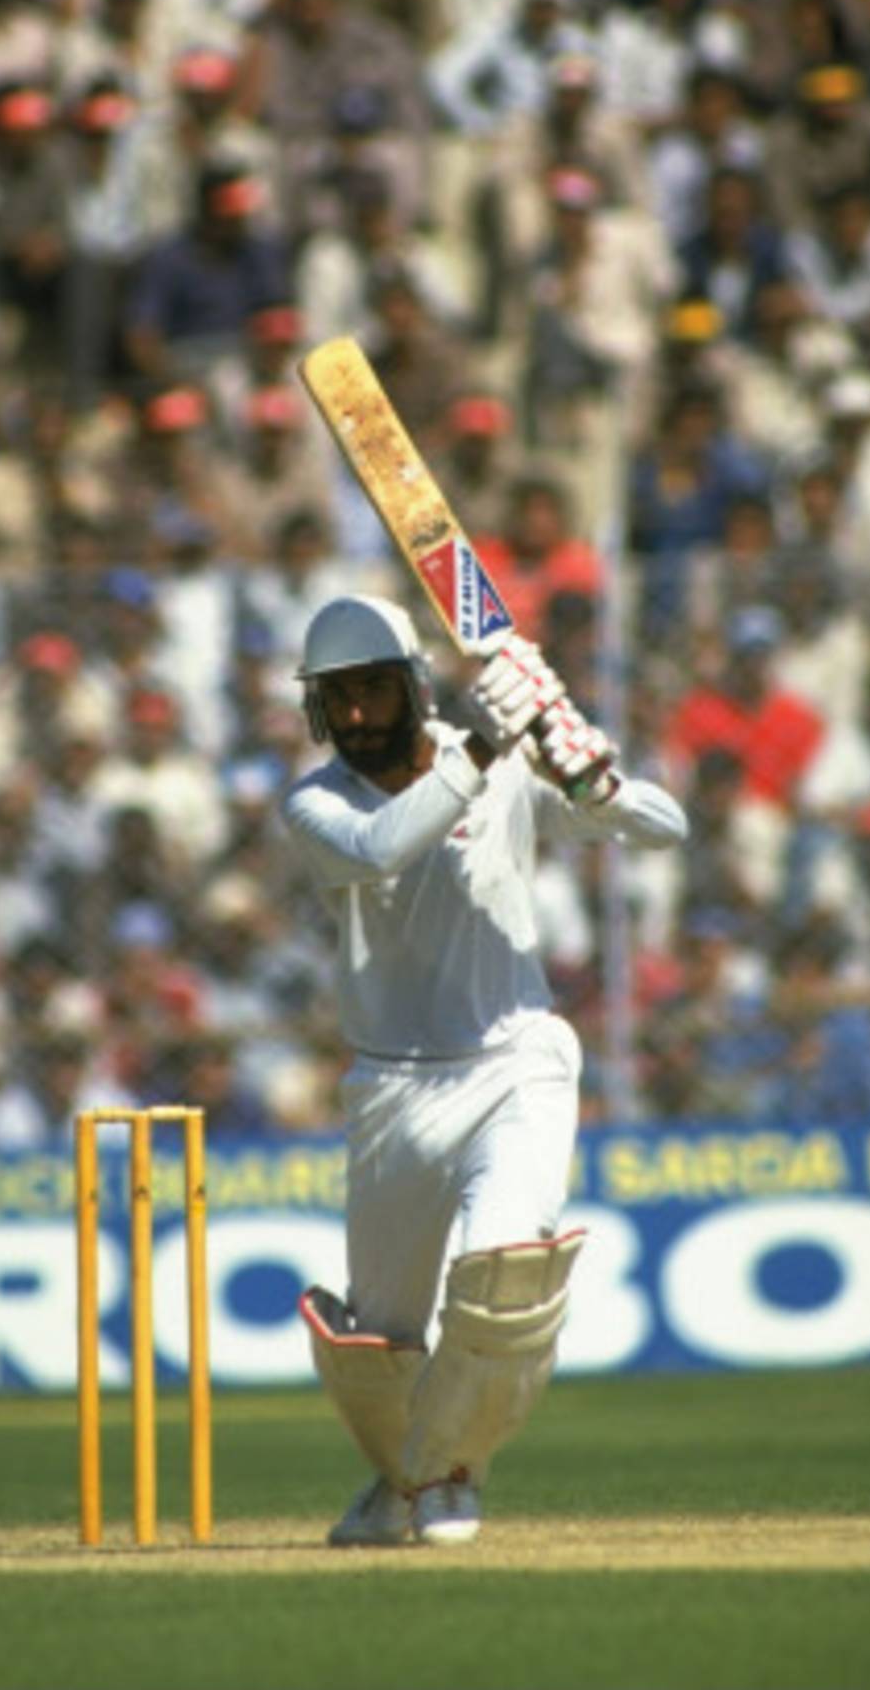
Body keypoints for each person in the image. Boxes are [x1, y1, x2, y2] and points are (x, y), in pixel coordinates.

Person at [280, 595, 686, 1547]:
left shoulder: (501, 763)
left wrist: (590, 775)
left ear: (414, 687)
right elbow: (386, 844)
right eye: (336, 699)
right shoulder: (317, 803)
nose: (355, 717)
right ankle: (403, 1481)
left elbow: (665, 830)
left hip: (516, 1062)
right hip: (391, 1089)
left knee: (504, 1276)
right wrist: (490, 750)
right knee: (376, 1340)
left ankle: (446, 1476)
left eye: (374, 691)